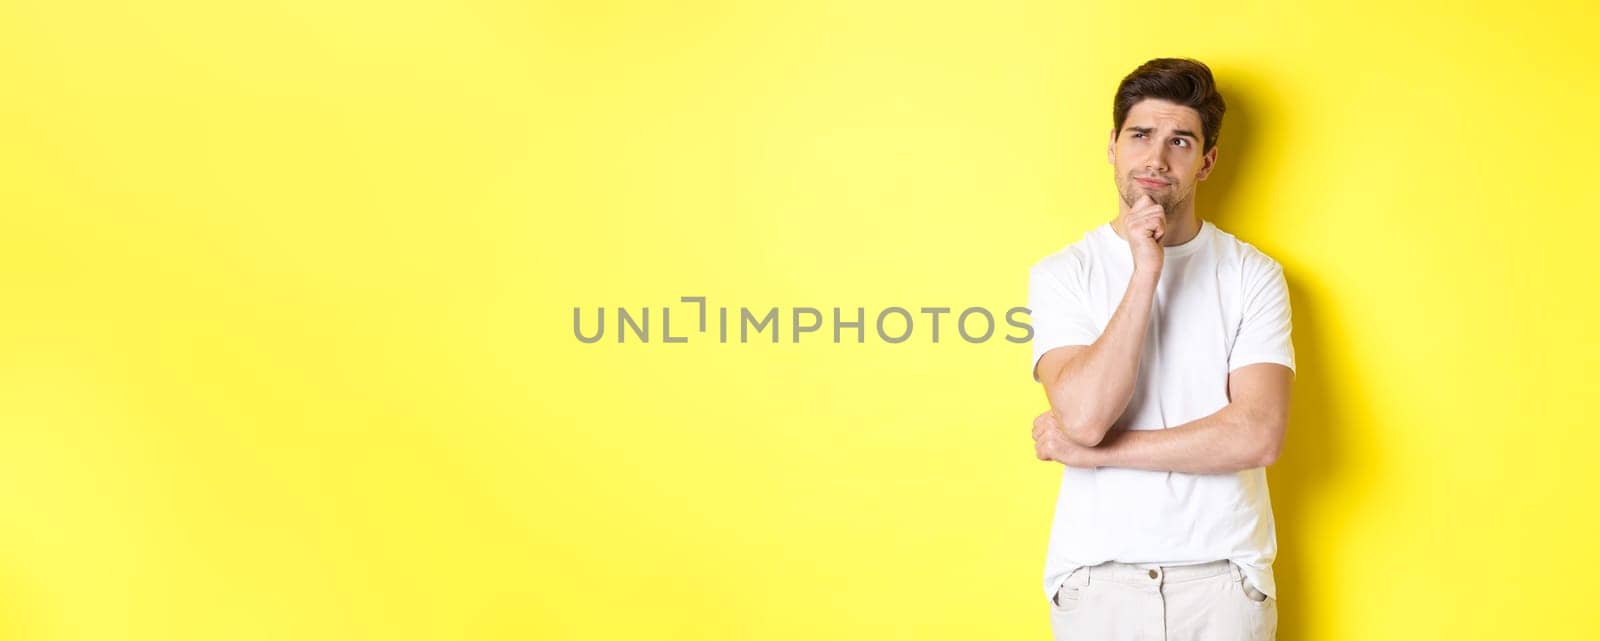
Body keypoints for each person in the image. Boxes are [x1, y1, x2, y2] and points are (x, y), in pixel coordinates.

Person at [1028, 57, 1294, 641]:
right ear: (1113, 146)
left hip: (1223, 580)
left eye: (1180, 140)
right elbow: (1084, 416)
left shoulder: (1252, 274)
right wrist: (1145, 269)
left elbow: (1257, 434)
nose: (1156, 158)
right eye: (1141, 136)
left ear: (1207, 161)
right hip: (1098, 582)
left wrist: (1098, 456)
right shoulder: (1062, 274)